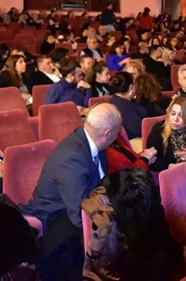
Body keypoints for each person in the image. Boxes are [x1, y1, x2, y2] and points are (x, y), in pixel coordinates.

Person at [22, 103, 122, 281]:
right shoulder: (73, 157)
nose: (117, 138)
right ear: (107, 133)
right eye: (116, 133)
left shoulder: (92, 141)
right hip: (57, 215)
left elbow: (101, 186)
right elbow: (79, 215)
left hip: (82, 207)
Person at [108, 72, 147, 146]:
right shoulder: (122, 105)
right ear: (131, 87)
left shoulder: (121, 100)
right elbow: (138, 130)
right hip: (135, 142)